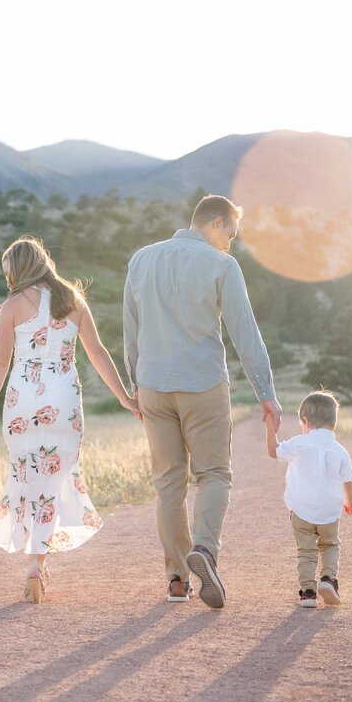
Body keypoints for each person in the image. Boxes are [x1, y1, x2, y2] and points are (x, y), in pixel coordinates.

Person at [123, 194, 282, 608]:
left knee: (168, 484)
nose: (230, 242)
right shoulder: (222, 265)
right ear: (215, 222)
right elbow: (245, 335)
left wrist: (135, 386)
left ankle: (177, 579)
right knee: (214, 475)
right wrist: (267, 394)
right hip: (203, 385)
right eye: (230, 232)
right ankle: (205, 551)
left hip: (153, 385)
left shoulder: (141, 260)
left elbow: (130, 329)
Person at [0, 236, 139, 603]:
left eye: (8, 272)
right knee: (53, 480)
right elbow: (97, 352)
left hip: (22, 404)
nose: (7, 279)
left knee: (26, 477)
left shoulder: (13, 306)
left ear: (18, 269)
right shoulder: (72, 299)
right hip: (64, 402)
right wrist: (123, 398)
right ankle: (38, 563)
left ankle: (34, 563)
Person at [265, 390, 352, 608]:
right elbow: (348, 481)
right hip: (329, 512)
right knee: (330, 545)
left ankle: (307, 593)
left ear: (305, 421)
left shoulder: (299, 443)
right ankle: (328, 579)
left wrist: (270, 430)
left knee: (306, 551)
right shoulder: (340, 450)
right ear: (333, 422)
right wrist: (349, 503)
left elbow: (273, 452)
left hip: (301, 511)